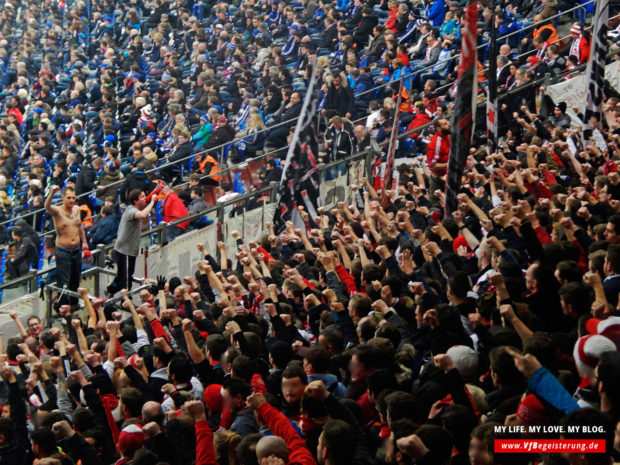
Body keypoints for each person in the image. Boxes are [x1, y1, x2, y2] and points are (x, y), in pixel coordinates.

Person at [106, 187, 158, 297]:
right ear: (135, 200)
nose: (145, 199)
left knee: (124, 275)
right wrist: (153, 201)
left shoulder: (133, 209)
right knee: (126, 278)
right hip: (125, 251)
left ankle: (110, 290)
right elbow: (143, 215)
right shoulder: (131, 211)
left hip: (129, 250)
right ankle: (125, 299)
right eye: (142, 197)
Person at [45, 185, 89, 307]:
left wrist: (84, 241)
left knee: (75, 279)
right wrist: (51, 193)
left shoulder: (76, 209)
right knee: (64, 282)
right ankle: (64, 307)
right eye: (69, 197)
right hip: (63, 252)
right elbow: (47, 207)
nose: (71, 200)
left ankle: (74, 302)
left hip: (76, 250)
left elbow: (79, 226)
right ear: (63, 198)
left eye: (73, 198)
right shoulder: (57, 211)